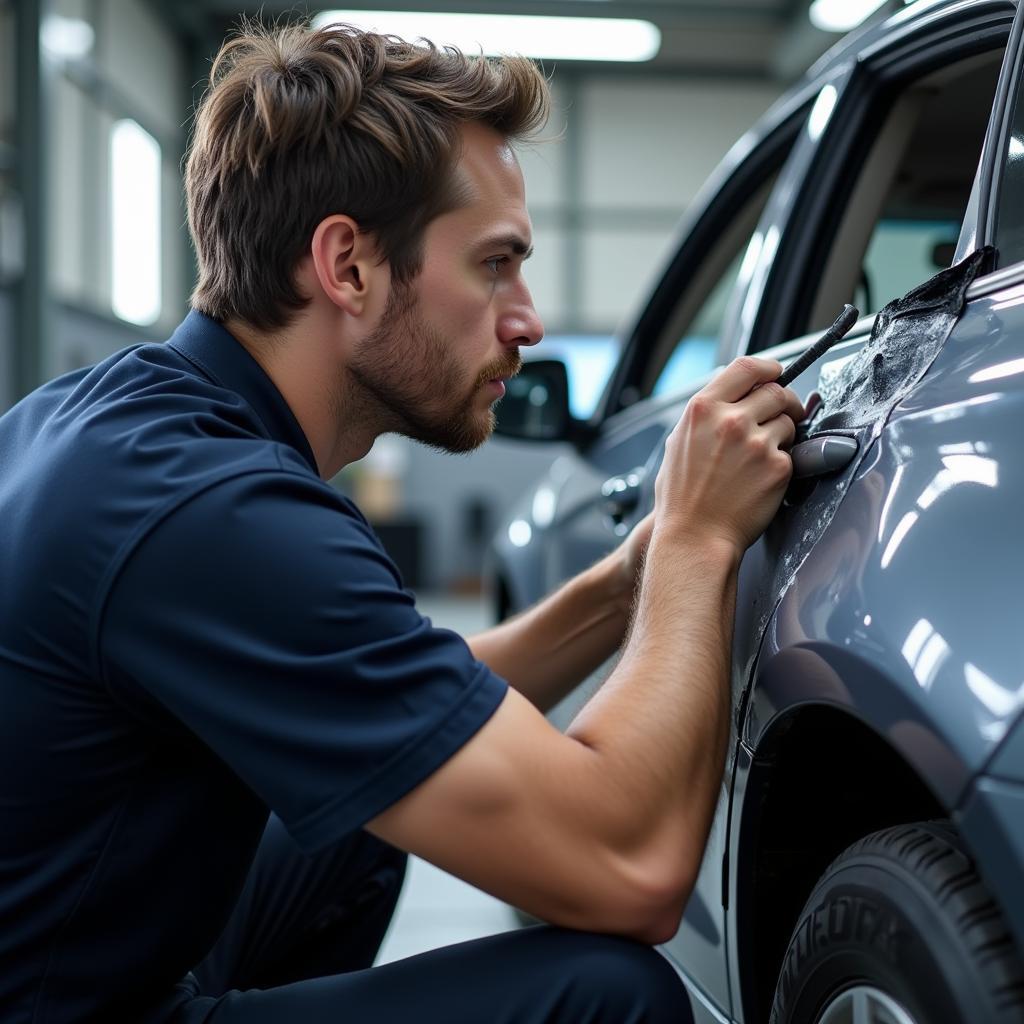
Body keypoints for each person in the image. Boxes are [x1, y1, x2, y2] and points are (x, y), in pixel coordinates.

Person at [0, 19, 807, 1024]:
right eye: (494, 265)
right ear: (346, 267)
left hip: (63, 955)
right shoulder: (217, 514)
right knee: (611, 997)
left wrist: (625, 585)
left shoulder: (119, 422)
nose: (528, 321)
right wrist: (696, 545)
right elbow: (631, 866)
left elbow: (423, 705)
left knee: (360, 819)